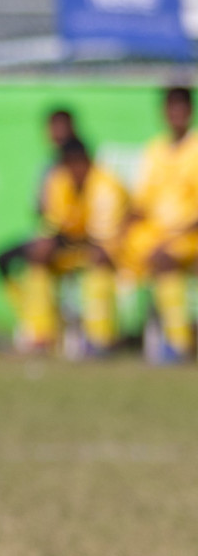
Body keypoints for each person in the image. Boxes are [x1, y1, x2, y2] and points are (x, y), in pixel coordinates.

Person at [15, 138, 128, 355]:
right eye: (69, 164)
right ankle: (41, 335)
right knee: (38, 257)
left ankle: (100, 338)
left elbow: (104, 242)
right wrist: (46, 243)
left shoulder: (106, 185)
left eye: (79, 163)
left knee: (98, 261)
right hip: (77, 248)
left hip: (115, 250)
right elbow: (54, 227)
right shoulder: (58, 182)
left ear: (88, 161)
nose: (75, 170)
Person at [123, 86, 198, 363]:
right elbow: (141, 203)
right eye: (171, 107)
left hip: (191, 234)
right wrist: (122, 229)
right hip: (157, 236)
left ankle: (179, 343)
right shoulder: (154, 150)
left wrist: (174, 236)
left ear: (190, 111)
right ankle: (105, 337)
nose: (176, 113)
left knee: (166, 258)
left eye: (181, 107)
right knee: (105, 254)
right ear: (163, 112)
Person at [0, 108, 78, 292]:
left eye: (61, 127)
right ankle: (28, 312)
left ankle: (46, 316)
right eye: (53, 128)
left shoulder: (79, 162)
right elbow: (39, 207)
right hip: (48, 231)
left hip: (71, 234)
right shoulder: (47, 166)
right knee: (2, 259)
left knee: (40, 254)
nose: (57, 133)